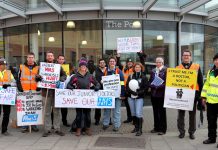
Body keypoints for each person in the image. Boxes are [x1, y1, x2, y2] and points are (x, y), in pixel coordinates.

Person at [67, 57, 100, 136]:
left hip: (87, 99)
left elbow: (98, 83)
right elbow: (69, 84)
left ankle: (87, 128)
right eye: (81, 66)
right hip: (78, 99)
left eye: (84, 66)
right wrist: (70, 87)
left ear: (86, 67)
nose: (83, 67)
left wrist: (97, 87)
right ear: (79, 67)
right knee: (79, 115)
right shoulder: (75, 76)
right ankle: (78, 129)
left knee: (87, 115)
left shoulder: (90, 76)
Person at [38, 51, 67, 137]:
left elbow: (64, 75)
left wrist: (60, 80)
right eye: (48, 56)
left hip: (55, 93)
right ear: (46, 57)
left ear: (54, 57)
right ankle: (47, 129)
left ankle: (57, 128)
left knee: (56, 111)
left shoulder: (58, 67)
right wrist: (38, 77)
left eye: (51, 56)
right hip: (45, 92)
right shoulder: (42, 67)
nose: (50, 57)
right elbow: (37, 77)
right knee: (46, 112)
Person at [177, 50, 203, 139]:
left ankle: (191, 132)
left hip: (193, 96)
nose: (186, 57)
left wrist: (199, 95)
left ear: (190, 57)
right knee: (181, 115)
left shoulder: (196, 66)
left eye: (188, 55)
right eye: (184, 55)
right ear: (182, 57)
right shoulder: (178, 68)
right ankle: (181, 132)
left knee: (192, 115)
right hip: (181, 95)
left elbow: (200, 82)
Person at [116, 52, 146, 124]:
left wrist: (140, 55)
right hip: (127, 89)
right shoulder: (123, 68)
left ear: (133, 64)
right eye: (128, 62)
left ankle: (138, 119)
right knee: (128, 105)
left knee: (137, 106)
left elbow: (142, 64)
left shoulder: (135, 69)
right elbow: (118, 64)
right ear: (126, 63)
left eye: (130, 62)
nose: (129, 63)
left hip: (135, 90)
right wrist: (118, 57)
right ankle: (130, 118)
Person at [17, 52, 40, 133]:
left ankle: (34, 125)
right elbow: (18, 78)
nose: (30, 59)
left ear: (34, 58)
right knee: (25, 109)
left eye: (32, 57)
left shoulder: (38, 68)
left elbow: (40, 78)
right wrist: (20, 88)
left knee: (34, 108)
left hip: (35, 91)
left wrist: (38, 86)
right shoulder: (21, 67)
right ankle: (24, 125)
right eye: (29, 57)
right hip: (24, 91)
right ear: (27, 58)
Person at [102, 56, 125, 132]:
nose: (112, 62)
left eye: (113, 61)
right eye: (110, 61)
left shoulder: (119, 71)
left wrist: (122, 94)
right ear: (108, 62)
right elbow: (102, 82)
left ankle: (116, 125)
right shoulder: (105, 71)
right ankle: (105, 124)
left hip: (117, 95)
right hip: (108, 95)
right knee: (107, 110)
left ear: (115, 62)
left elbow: (122, 83)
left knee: (117, 111)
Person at [126, 62, 149, 136]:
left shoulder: (144, 77)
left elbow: (146, 88)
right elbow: (127, 86)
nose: (137, 68)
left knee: (138, 113)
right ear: (134, 68)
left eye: (138, 67)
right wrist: (132, 92)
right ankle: (136, 127)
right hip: (131, 97)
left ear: (141, 68)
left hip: (139, 97)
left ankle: (140, 130)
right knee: (133, 113)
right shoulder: (131, 76)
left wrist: (138, 93)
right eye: (136, 67)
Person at [202, 53, 218, 147]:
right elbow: (206, 85)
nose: (217, 61)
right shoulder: (210, 72)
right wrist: (203, 97)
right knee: (211, 121)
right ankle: (211, 138)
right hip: (211, 101)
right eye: (215, 59)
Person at [149, 57, 167, 135]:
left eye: (159, 62)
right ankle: (156, 128)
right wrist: (151, 85)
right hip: (154, 94)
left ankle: (163, 129)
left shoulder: (166, 70)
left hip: (162, 94)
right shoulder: (153, 71)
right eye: (157, 62)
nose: (158, 63)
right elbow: (150, 81)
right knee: (155, 112)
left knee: (162, 112)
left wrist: (158, 86)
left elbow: (167, 83)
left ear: (162, 62)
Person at [0, 58, 16, 136]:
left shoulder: (9, 73)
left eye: (5, 65)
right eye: (3, 65)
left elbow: (14, 83)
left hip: (6, 96)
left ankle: (4, 130)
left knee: (6, 113)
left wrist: (9, 84)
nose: (4, 66)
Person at [56, 55, 69, 127]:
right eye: (60, 59)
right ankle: (53, 123)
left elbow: (68, 76)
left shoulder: (67, 67)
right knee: (55, 107)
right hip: (56, 88)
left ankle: (65, 121)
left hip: (65, 88)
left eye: (62, 59)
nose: (61, 60)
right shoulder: (54, 66)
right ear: (57, 60)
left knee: (64, 107)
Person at [93, 58, 107, 125]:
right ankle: (97, 120)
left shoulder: (108, 70)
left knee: (106, 105)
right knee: (98, 106)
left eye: (103, 62)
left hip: (106, 90)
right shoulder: (95, 71)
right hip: (98, 90)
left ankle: (107, 120)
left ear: (105, 63)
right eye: (101, 62)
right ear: (99, 64)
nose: (102, 64)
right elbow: (93, 79)